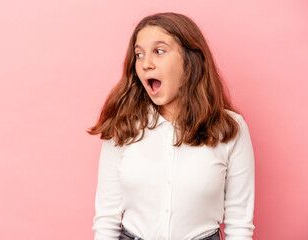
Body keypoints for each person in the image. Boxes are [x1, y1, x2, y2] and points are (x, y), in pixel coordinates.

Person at [87, 12, 255, 240]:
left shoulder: (230, 128)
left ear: (190, 59)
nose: (145, 64)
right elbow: (107, 220)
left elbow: (240, 226)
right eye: (139, 54)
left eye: (159, 51)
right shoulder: (123, 124)